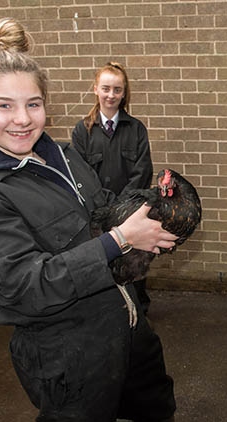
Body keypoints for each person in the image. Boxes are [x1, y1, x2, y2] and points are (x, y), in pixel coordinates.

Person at [0, 18, 177, 422]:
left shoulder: (62, 156)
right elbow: (25, 287)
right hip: (69, 354)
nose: (22, 119)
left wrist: (150, 213)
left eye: (33, 103)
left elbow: (102, 209)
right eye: (3, 105)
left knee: (154, 409)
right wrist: (118, 240)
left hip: (129, 328)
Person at [72, 62, 154, 315]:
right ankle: (110, 314)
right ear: (95, 89)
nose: (111, 95)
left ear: (124, 93)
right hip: (97, 216)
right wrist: (104, 210)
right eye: (106, 88)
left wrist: (122, 209)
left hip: (131, 215)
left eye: (117, 89)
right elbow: (80, 174)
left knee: (134, 266)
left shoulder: (136, 129)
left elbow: (142, 172)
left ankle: (141, 314)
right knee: (102, 267)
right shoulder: (83, 130)